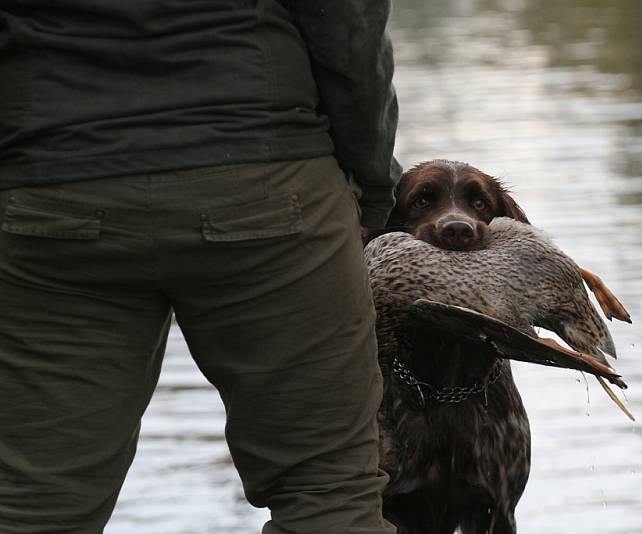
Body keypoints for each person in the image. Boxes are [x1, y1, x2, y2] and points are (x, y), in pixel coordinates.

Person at [0, 1, 400, 533]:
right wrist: (374, 181)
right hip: (267, 182)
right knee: (325, 490)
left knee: (30, 506)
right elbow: (346, 19)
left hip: (52, 188)